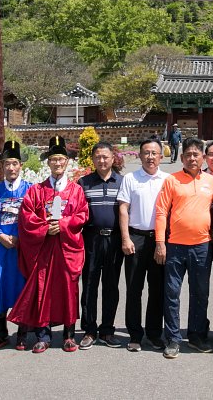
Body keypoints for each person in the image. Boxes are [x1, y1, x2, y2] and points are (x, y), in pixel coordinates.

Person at [9, 136, 89, 353]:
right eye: (53, 159)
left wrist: (62, 224)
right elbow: (26, 216)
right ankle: (43, 335)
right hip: (44, 249)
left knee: (68, 290)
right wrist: (46, 228)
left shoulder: (76, 190)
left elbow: (82, 214)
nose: (57, 163)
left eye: (61, 159)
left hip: (66, 248)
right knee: (43, 289)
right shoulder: (36, 190)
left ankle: (69, 335)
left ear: (67, 162)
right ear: (48, 163)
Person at [155, 137, 213, 359]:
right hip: (175, 246)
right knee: (172, 293)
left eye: (196, 154)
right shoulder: (172, 181)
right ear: (181, 158)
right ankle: (173, 338)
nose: (192, 158)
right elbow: (162, 211)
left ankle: (196, 336)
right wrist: (160, 242)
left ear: (203, 158)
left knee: (200, 293)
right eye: (188, 155)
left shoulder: (212, 182)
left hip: (202, 246)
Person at [0, 141, 32, 350]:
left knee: (22, 290)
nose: (10, 168)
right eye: (7, 164)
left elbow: (36, 217)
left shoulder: (31, 190)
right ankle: (1, 334)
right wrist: (0, 235)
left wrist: (21, 237)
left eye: (14, 163)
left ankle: (22, 335)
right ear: (2, 166)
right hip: (1, 248)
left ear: (21, 165)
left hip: (22, 249)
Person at [118, 138, 169, 352]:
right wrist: (125, 238)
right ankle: (135, 334)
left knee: (157, 289)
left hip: (158, 239)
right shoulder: (130, 178)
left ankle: (155, 333)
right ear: (139, 156)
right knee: (134, 289)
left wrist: (163, 242)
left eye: (154, 153)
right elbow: (123, 209)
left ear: (161, 156)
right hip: (135, 238)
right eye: (146, 153)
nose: (150, 157)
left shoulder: (168, 179)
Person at [78, 141, 124, 349]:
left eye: (106, 157)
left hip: (114, 239)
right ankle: (89, 330)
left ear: (113, 158)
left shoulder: (123, 182)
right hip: (91, 239)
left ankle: (107, 330)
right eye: (98, 157)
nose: (102, 160)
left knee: (111, 286)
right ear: (93, 159)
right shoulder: (84, 182)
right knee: (89, 285)